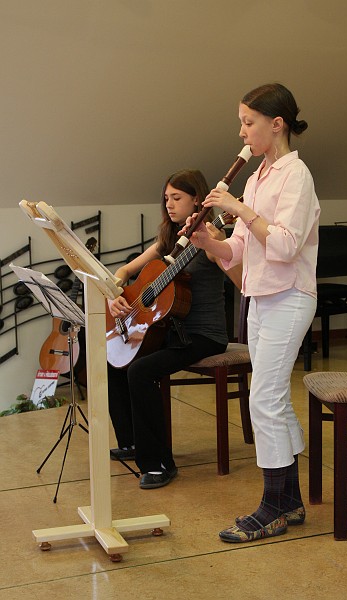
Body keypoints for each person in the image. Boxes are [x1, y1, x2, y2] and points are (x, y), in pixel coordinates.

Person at [184, 83, 320, 542]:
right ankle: (290, 501)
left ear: (276, 124)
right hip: (259, 296)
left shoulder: (296, 176)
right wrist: (208, 241)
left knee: (263, 398)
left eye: (248, 122)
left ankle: (272, 507)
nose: (241, 132)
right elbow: (237, 250)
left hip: (290, 295)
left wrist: (237, 207)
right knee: (272, 397)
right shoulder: (256, 177)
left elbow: (284, 245)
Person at [107, 169, 241, 489]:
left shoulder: (211, 238)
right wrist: (116, 295)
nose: (169, 204)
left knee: (140, 371)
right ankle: (132, 441)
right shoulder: (168, 240)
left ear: (197, 199)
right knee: (114, 360)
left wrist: (216, 243)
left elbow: (240, 279)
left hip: (204, 336)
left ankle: (159, 463)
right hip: (172, 332)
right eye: (166, 198)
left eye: (177, 198)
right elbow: (125, 271)